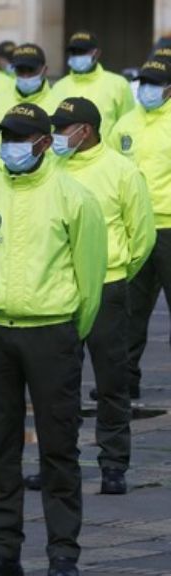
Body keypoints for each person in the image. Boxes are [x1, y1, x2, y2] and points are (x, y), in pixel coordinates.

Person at [0, 103, 106, 576]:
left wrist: (68, 331)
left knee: (58, 448)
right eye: (5, 138)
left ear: (44, 143)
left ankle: (63, 551)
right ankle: (3, 548)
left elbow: (90, 279)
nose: (9, 147)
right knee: (0, 445)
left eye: (19, 139)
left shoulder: (74, 197)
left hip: (50, 333)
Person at [19, 97, 154, 497]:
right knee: (56, 384)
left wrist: (113, 272)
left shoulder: (121, 171)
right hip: (59, 289)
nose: (56, 137)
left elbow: (141, 235)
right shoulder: (51, 168)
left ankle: (113, 463)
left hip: (107, 287)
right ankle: (57, 464)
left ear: (86, 130)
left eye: (62, 129)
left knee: (112, 381)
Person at [110, 59, 171, 402]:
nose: (147, 89)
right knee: (130, 311)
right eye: (144, 82)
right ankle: (125, 378)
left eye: (155, 83)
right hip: (135, 227)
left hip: (169, 227)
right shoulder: (125, 124)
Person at [52, 32, 135, 140]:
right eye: (74, 52)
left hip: (106, 155)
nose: (77, 56)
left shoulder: (118, 84)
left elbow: (128, 126)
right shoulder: (58, 87)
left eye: (82, 52)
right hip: (65, 155)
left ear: (97, 53)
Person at [3, 43, 59, 112]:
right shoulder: (0, 101)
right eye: (20, 70)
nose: (25, 76)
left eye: (31, 70)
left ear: (44, 70)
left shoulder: (58, 105)